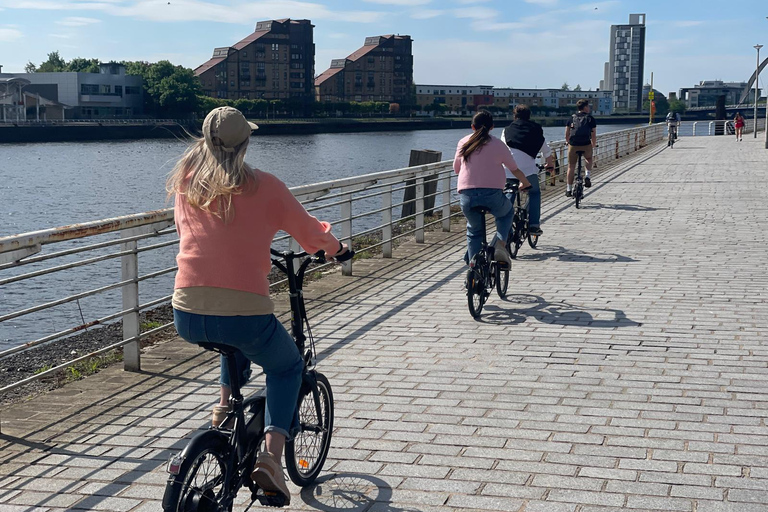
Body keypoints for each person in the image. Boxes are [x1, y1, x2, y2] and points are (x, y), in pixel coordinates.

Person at [167, 106, 348, 506]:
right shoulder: (265, 186)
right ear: (245, 143)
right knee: (285, 367)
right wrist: (336, 249)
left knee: (231, 342)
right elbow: (311, 236)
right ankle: (270, 458)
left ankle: (222, 409)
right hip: (243, 312)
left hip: (186, 311)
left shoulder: (185, 183)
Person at [454, 110, 531, 269]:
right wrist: (525, 183)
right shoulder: (498, 144)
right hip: (492, 195)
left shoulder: (463, 142)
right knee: (506, 213)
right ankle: (500, 245)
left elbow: (456, 169)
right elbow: (514, 169)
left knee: (474, 231)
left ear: (472, 126)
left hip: (467, 196)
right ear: (492, 127)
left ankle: (474, 269)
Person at [500, 104, 555, 237]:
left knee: (509, 193)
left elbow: (502, 149)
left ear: (515, 116)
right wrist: (550, 165)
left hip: (509, 169)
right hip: (528, 171)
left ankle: (505, 226)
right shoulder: (536, 129)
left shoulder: (506, 130)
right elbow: (546, 151)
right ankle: (534, 225)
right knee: (534, 192)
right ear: (529, 116)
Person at [564, 99, 597, 196]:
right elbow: (593, 134)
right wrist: (593, 144)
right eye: (588, 106)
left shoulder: (571, 118)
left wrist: (567, 142)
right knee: (589, 158)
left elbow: (567, 133)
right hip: (586, 143)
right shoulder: (590, 118)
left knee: (571, 166)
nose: (589, 108)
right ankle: (587, 176)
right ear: (585, 107)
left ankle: (568, 189)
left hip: (573, 144)